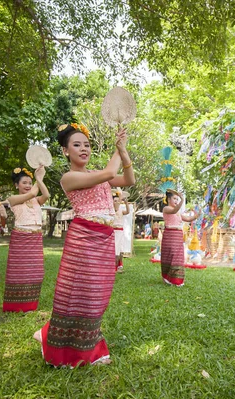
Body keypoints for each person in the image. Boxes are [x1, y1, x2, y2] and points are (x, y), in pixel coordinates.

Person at [34, 122, 135, 367]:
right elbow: (111, 174)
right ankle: (71, 349)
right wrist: (116, 147)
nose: (84, 149)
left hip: (104, 238)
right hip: (83, 240)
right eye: (76, 145)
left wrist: (123, 151)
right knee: (81, 295)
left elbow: (129, 179)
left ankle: (60, 337)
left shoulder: (96, 175)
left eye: (87, 145)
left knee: (98, 295)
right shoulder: (69, 178)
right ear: (66, 151)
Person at [2, 166, 49, 312]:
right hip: (21, 238)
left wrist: (40, 179)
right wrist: (38, 178)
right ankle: (16, 305)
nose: (28, 185)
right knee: (19, 272)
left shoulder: (35, 200)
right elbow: (33, 192)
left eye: (30, 182)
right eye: (24, 183)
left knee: (35, 272)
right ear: (16, 185)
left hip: (35, 238)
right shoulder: (12, 199)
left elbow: (46, 195)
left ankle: (30, 304)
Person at [161, 189, 199, 287]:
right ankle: (168, 277)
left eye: (177, 199)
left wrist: (196, 215)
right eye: (174, 198)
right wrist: (182, 200)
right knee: (170, 256)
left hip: (177, 235)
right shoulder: (166, 209)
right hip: (170, 235)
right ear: (168, 199)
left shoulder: (178, 213)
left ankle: (177, 280)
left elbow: (188, 219)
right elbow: (174, 210)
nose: (176, 201)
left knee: (177, 257)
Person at [112, 189, 130, 273]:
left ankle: (119, 265)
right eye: (114, 201)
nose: (116, 202)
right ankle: (114, 268)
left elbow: (127, 211)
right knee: (115, 250)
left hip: (121, 231)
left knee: (120, 249)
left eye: (117, 201)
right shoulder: (112, 211)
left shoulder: (121, 210)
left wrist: (126, 203)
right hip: (114, 232)